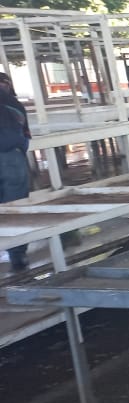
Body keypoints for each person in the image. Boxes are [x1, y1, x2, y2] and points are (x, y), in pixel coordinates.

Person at [0, 73, 31, 272]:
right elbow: (26, 136)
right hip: (12, 158)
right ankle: (17, 256)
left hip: (12, 157)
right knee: (16, 207)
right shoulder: (15, 105)